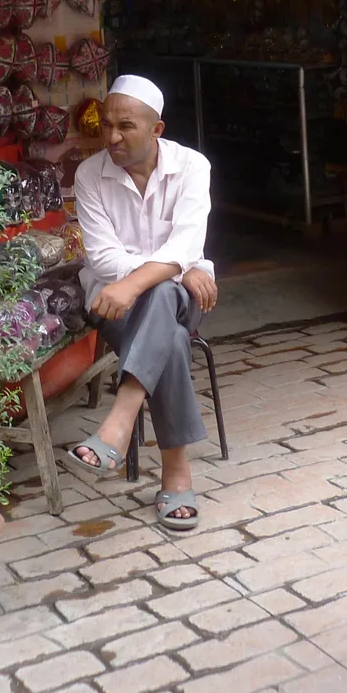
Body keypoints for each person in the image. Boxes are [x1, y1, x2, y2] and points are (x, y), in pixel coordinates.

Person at [63, 75, 218, 532]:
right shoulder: (89, 174)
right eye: (106, 125)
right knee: (167, 322)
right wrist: (175, 265)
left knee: (165, 297)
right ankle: (176, 475)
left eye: (125, 126)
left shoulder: (192, 167)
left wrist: (156, 274)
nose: (111, 137)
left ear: (157, 129)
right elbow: (106, 259)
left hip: (166, 295)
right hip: (115, 303)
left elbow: (188, 238)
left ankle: (120, 419)